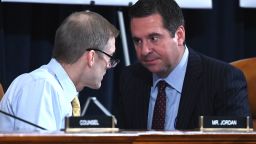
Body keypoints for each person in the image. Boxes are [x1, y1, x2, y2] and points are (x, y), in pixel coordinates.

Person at [117, 0, 251, 130]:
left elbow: (236, 140)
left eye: (154, 38)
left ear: (179, 36)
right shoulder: (130, 78)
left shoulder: (222, 79)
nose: (145, 50)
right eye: (138, 41)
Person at [0, 11, 119, 131]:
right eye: (110, 57)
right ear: (92, 57)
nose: (109, 65)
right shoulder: (41, 87)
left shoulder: (57, 90)